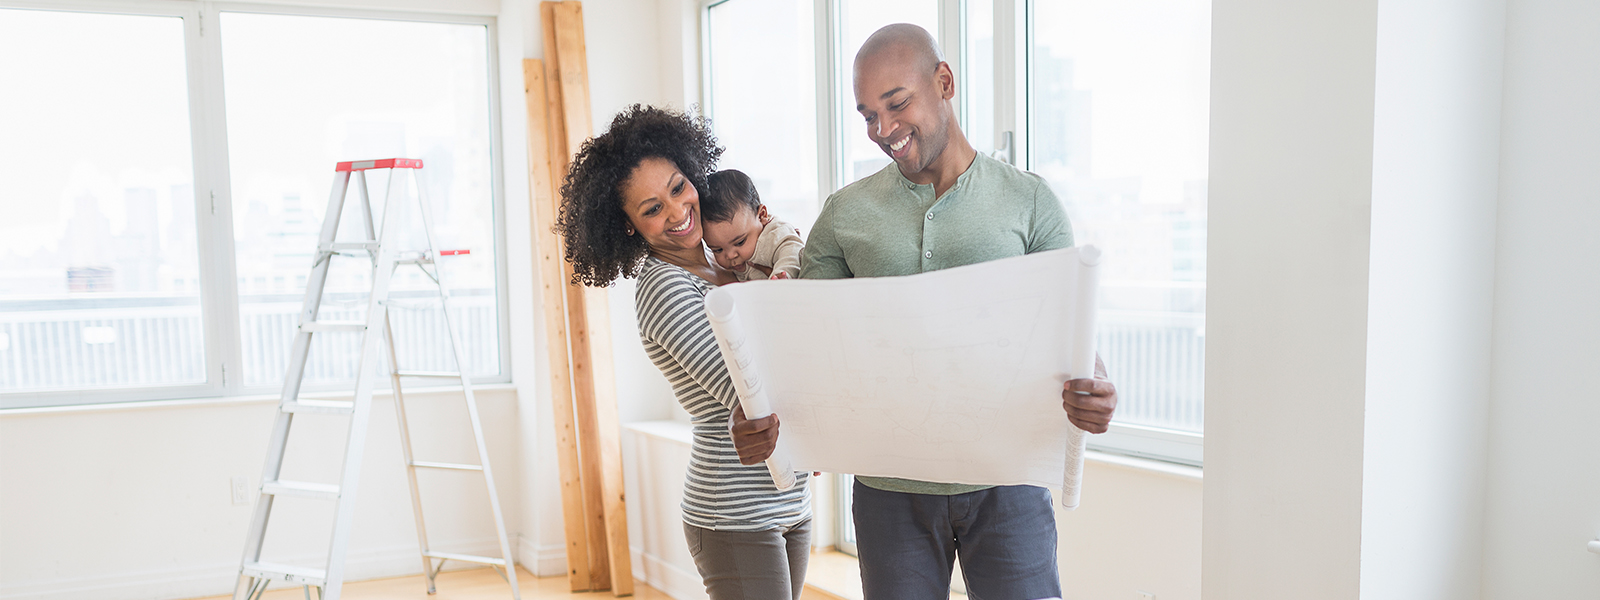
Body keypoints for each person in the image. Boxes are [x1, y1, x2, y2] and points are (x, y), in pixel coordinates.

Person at [729, 24, 1120, 599]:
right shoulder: (845, 214)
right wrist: (761, 417)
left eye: (897, 103)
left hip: (1007, 484)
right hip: (890, 492)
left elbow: (1072, 337)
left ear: (945, 82)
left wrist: (1099, 388)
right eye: (867, 115)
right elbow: (803, 349)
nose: (883, 130)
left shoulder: (1030, 201)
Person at [555, 105, 812, 599]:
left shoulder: (730, 265)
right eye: (652, 208)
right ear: (628, 226)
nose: (676, 211)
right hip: (733, 512)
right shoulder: (665, 286)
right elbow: (750, 384)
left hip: (788, 500)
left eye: (677, 188)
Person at [700, 169, 805, 281]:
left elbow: (792, 251)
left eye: (740, 242)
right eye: (718, 250)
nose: (730, 256)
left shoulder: (774, 234)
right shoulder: (733, 259)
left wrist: (782, 275)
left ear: (762, 216)